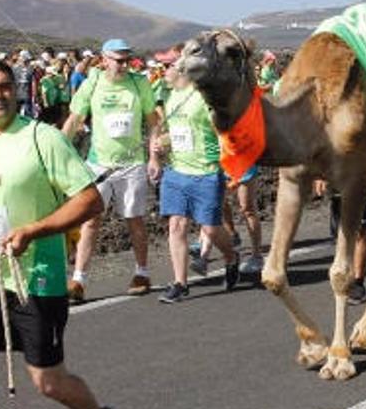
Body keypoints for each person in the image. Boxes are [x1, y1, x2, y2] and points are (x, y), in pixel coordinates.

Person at [0, 59, 116, 409]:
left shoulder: (42, 137)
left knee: (48, 381)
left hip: (35, 277)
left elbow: (89, 200)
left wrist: (33, 231)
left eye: (5, 86)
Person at [62, 39, 161, 300]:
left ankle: (142, 273)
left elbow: (153, 122)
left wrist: (154, 157)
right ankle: (78, 281)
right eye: (117, 59)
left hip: (131, 164)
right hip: (98, 163)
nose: (123, 64)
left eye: (126, 59)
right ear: (104, 59)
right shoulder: (92, 83)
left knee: (134, 219)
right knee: (91, 220)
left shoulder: (139, 84)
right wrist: (59, 151)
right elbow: (74, 120)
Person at [154, 66, 240, 303]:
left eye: (166, 66)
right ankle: (180, 283)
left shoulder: (203, 98)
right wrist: (163, 143)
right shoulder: (172, 97)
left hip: (206, 172)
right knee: (176, 226)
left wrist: (232, 168)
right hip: (176, 172)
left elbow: (223, 133)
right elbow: (179, 132)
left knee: (210, 228)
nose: (162, 71)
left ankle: (232, 258)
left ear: (181, 69)